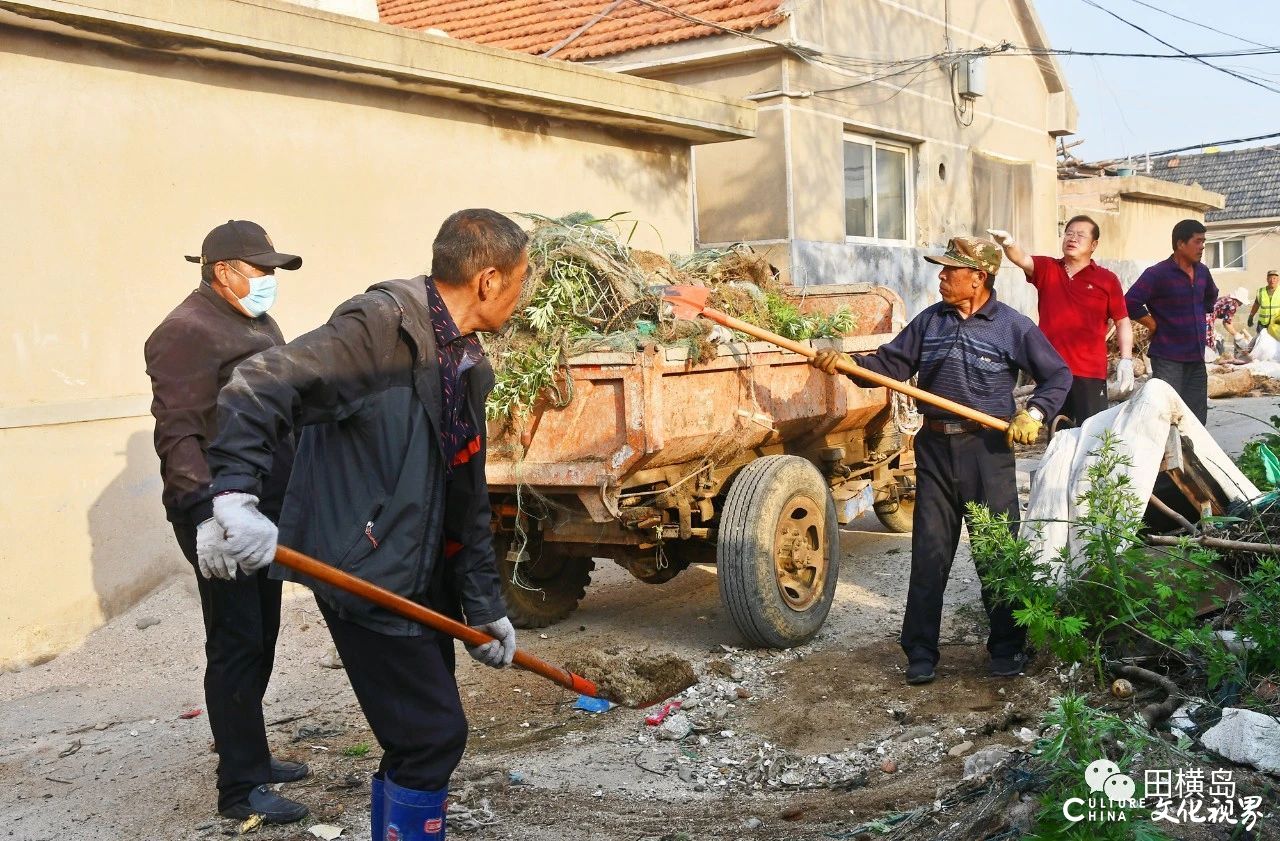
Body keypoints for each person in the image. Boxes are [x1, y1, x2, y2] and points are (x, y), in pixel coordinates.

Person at [199, 209, 525, 840]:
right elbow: (261, 383)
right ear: (488, 280)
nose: (524, 291)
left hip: (420, 569)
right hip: (366, 569)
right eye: (521, 278)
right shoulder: (380, 329)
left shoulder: (464, 364)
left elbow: (466, 501)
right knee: (433, 735)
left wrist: (484, 607)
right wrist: (235, 493)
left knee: (416, 737)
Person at [810, 237, 1070, 685]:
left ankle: (1008, 647)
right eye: (942, 269)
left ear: (978, 278)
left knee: (996, 552)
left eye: (950, 270)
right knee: (930, 553)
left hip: (987, 449)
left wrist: (1035, 412)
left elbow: (1058, 374)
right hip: (933, 448)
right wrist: (846, 364)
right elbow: (887, 365)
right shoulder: (930, 322)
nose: (941, 276)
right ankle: (921, 652)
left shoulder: (1012, 326)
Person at [143, 220, 309, 823]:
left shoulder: (252, 320)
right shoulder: (185, 332)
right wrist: (208, 513)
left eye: (272, 270)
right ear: (223, 271)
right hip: (218, 511)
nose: (269, 280)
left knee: (261, 632)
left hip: (258, 505)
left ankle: (252, 755)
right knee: (237, 638)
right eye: (260, 269)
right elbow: (179, 432)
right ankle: (240, 788)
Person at [987, 216, 1133, 423]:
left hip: (1090, 372)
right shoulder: (1048, 268)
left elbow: (1122, 321)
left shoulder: (1106, 279)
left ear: (1094, 245)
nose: (1072, 238)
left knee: (1091, 435)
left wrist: (1126, 360)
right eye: (1069, 233)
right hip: (1051, 372)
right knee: (1057, 435)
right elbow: (1022, 259)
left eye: (1080, 235)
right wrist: (1009, 244)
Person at [1124, 219, 1218, 424]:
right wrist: (1152, 323)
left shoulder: (1202, 272)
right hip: (1168, 358)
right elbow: (1130, 302)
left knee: (1196, 417)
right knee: (1166, 415)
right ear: (1180, 244)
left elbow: (1211, 297)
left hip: (1196, 358)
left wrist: (1198, 316)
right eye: (1198, 241)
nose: (1202, 246)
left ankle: (1193, 456)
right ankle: (1166, 456)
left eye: (1204, 242)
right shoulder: (1157, 274)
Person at [1211, 287, 1251, 357]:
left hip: (1202, 317)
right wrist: (1236, 335)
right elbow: (1226, 323)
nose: (1241, 304)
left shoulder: (1226, 298)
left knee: (1216, 338)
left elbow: (1228, 321)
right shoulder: (1233, 304)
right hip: (1205, 320)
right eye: (1241, 302)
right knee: (1213, 342)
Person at [1247, 269, 1280, 336]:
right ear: (1267, 279)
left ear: (1278, 279)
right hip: (1263, 324)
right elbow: (1256, 305)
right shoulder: (1261, 291)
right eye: (1270, 278)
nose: (1272, 280)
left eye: (1274, 278)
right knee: (1262, 342)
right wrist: (1251, 316)